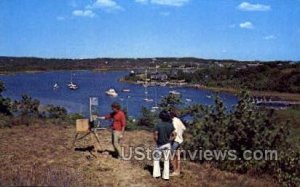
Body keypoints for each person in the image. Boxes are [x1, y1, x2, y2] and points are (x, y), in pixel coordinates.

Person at [153, 111, 176, 180]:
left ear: (160, 117)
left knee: (156, 159)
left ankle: (157, 175)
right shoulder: (170, 125)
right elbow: (174, 134)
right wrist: (170, 140)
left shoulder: (158, 125)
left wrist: (156, 141)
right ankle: (166, 177)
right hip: (167, 144)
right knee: (166, 160)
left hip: (159, 145)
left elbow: (156, 135)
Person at [170, 109, 186, 177]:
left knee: (171, 156)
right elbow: (184, 128)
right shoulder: (179, 120)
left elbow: (174, 132)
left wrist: (170, 139)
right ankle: (178, 170)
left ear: (171, 115)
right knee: (178, 156)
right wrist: (180, 134)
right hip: (180, 140)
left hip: (175, 141)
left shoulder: (173, 121)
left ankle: (174, 171)